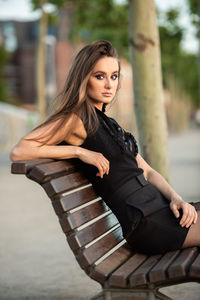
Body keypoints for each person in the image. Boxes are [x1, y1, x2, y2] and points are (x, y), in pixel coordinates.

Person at [10, 40, 200, 255]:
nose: (110, 84)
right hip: (146, 224)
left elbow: (147, 171)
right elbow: (20, 151)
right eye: (99, 76)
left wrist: (176, 199)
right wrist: (79, 151)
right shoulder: (75, 119)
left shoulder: (108, 123)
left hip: (159, 209)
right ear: (84, 78)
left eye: (114, 76)